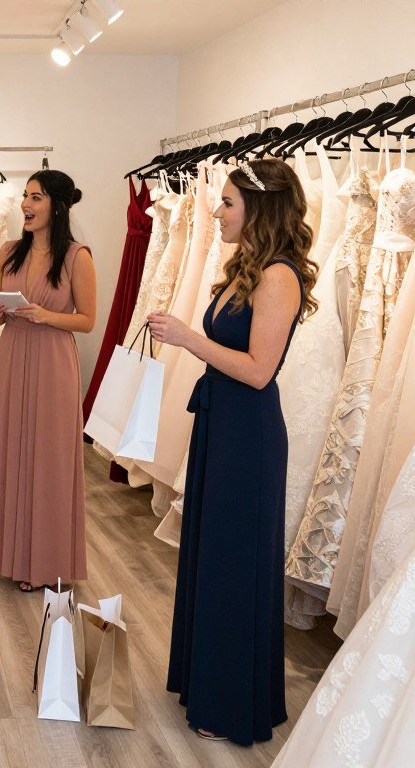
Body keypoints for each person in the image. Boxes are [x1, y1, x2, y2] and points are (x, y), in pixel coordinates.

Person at [148, 158, 318, 745]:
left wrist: (186, 338)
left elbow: (257, 370)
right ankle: (208, 684)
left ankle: (231, 703)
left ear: (259, 209)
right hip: (222, 426)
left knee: (234, 562)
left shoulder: (279, 277)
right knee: (212, 552)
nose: (216, 213)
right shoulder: (247, 268)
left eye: (226, 203)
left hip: (248, 435)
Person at [0, 170, 96, 592]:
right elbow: (0, 306)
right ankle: (11, 557)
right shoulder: (8, 251)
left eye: (36, 198)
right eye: (25, 197)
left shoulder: (77, 256)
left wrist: (46, 316)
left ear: (57, 206)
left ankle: (46, 564)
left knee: (49, 459)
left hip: (54, 361)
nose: (26, 205)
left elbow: (86, 320)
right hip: (12, 356)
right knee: (11, 450)